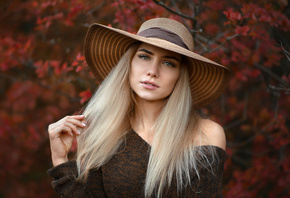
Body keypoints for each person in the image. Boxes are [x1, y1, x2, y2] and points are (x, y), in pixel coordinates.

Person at [47, 18, 230, 198]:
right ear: (129, 63)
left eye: (168, 63)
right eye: (144, 56)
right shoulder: (104, 132)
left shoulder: (206, 134)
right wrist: (59, 159)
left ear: (180, 76)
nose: (153, 71)